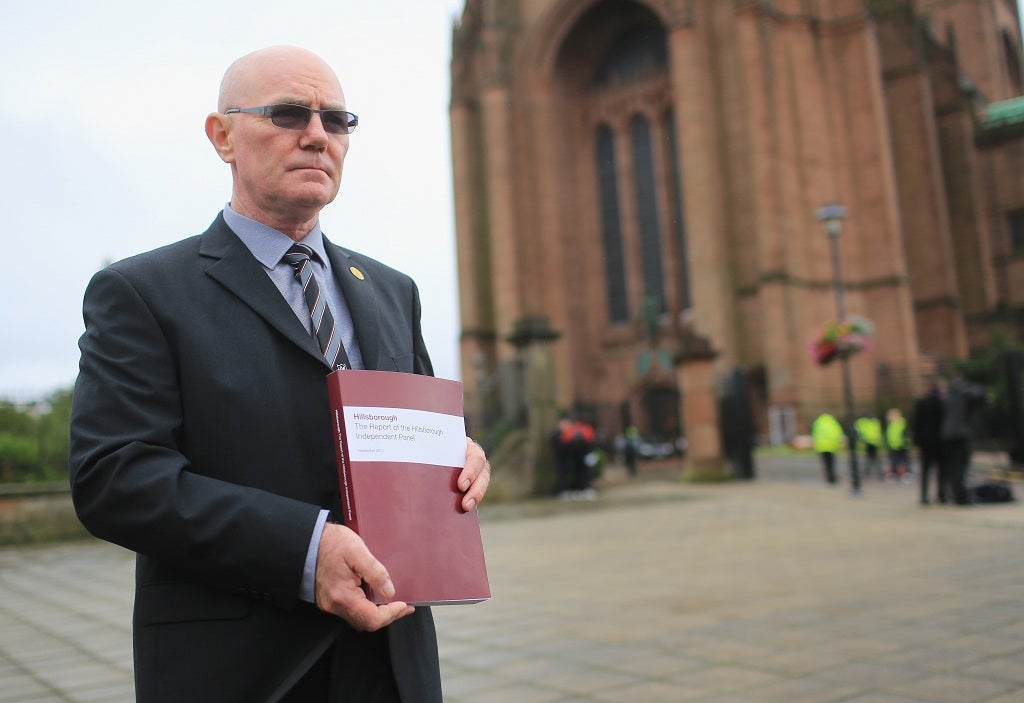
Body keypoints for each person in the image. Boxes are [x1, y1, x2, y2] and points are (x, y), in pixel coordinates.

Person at [68, 46, 491, 703]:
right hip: (240, 666)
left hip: (393, 658)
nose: (317, 135)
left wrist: (457, 459)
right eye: (289, 113)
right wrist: (305, 549)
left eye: (338, 119)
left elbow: (419, 433)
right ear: (222, 136)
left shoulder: (391, 289)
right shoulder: (141, 292)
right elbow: (115, 477)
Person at [942, 375, 986, 505]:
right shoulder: (964, 393)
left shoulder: (948, 397)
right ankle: (960, 494)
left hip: (948, 435)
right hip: (962, 434)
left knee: (954, 466)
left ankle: (955, 492)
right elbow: (979, 395)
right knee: (961, 466)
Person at [912, 382, 946, 504]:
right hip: (940, 442)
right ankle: (941, 494)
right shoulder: (942, 403)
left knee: (925, 470)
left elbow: (916, 424)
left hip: (925, 442)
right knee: (941, 470)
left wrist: (916, 443)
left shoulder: (921, 403)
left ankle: (924, 496)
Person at [811, 412, 844, 485]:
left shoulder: (818, 423)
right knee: (832, 463)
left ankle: (829, 477)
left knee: (826, 464)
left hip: (821, 447)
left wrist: (816, 446)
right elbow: (839, 433)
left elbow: (815, 435)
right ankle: (833, 477)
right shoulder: (833, 423)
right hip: (832, 447)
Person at [884, 408, 911, 483]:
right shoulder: (892, 424)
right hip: (893, 446)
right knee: (895, 461)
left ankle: (903, 475)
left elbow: (905, 435)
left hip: (900, 446)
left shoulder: (900, 423)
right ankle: (893, 475)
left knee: (901, 461)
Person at [854, 413, 883, 480]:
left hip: (870, 442)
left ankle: (873, 473)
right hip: (870, 442)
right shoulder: (874, 422)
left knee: (873, 459)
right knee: (871, 459)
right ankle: (871, 472)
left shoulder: (862, 422)